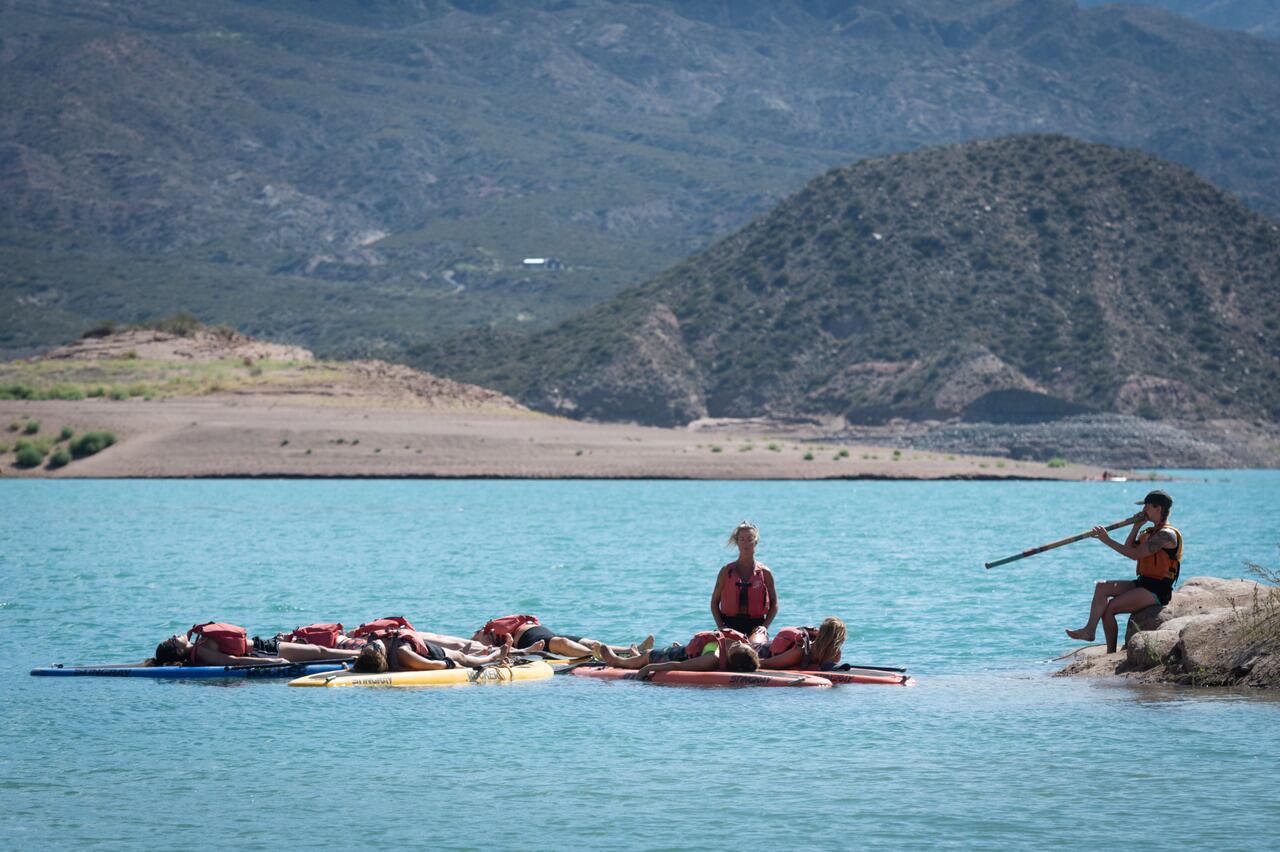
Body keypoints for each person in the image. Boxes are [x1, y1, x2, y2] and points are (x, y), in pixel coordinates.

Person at [1065, 490, 1183, 653]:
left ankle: (1110, 653)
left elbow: (1134, 555)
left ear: (1158, 508)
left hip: (1157, 589)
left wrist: (1107, 540)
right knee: (1101, 587)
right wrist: (1136, 526)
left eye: (1146, 507)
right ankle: (1089, 630)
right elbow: (1129, 549)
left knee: (1110, 608)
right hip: (1143, 582)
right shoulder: (1150, 531)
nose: (1143, 511)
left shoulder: (1166, 535)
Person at [149, 622, 361, 667]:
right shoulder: (202, 652)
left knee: (317, 650)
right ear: (177, 650)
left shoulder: (200, 641)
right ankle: (359, 656)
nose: (176, 634)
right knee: (318, 651)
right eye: (172, 638)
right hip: (262, 652)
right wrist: (274, 663)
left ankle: (358, 655)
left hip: (261, 644)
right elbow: (231, 660)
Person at [472, 614, 653, 659]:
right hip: (529, 640)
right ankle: (594, 657)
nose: (478, 632)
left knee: (591, 642)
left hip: (542, 632)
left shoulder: (492, 627)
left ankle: (630, 650)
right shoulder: (482, 639)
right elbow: (486, 649)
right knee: (562, 643)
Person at [597, 628, 760, 678]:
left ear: (734, 657)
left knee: (646, 656)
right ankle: (634, 652)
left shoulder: (711, 659)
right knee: (647, 653)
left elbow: (678, 665)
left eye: (739, 646)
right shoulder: (724, 650)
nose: (738, 642)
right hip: (683, 650)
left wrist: (648, 668)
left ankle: (618, 661)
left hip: (674, 656)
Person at [710, 521, 778, 641]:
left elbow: (774, 604)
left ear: (755, 542)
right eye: (742, 539)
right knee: (731, 650)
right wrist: (721, 627)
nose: (746, 543)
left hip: (756, 626)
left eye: (749, 539)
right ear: (737, 542)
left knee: (753, 648)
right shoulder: (726, 571)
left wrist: (765, 627)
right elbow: (714, 603)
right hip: (729, 624)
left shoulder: (765, 572)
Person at [352, 628, 531, 673]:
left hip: (430, 653)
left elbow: (433, 664)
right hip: (421, 654)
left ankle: (496, 655)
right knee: (462, 655)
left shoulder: (402, 653)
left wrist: (451, 664)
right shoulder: (372, 646)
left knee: (464, 658)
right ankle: (496, 652)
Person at [756, 617, 847, 670]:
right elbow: (765, 663)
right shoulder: (800, 651)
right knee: (754, 638)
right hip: (759, 650)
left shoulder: (835, 654)